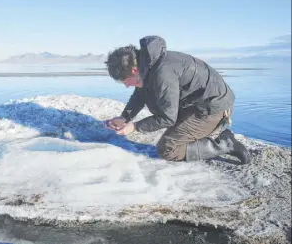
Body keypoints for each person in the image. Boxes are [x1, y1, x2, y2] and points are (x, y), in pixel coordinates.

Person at [104, 35, 251, 164]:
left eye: (125, 80)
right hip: (198, 104)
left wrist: (135, 127)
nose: (126, 86)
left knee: (168, 149)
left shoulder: (162, 73)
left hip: (214, 108)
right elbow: (140, 94)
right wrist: (125, 117)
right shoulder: (148, 64)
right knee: (154, 101)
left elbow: (168, 118)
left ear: (134, 70)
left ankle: (225, 144)